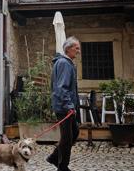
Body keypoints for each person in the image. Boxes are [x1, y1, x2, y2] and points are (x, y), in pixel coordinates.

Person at [46, 36, 81, 171]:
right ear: (69, 48)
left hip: (65, 106)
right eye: (76, 48)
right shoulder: (64, 63)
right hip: (64, 107)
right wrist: (70, 106)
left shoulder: (65, 63)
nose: (78, 51)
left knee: (74, 132)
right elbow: (62, 87)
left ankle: (54, 157)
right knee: (67, 138)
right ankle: (62, 166)